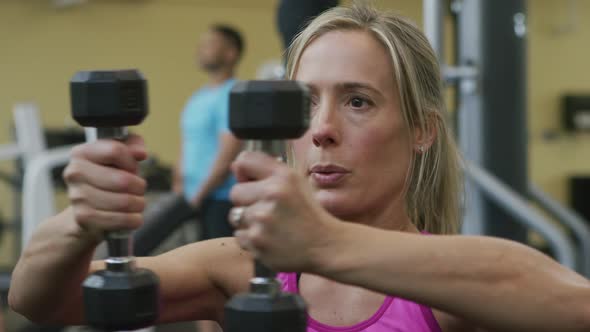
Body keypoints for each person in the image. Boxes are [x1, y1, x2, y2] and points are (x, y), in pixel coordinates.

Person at [8, 3, 590, 332]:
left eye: (357, 101)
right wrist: (80, 224)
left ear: (422, 131)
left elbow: (573, 306)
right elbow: (40, 302)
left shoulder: (443, 293)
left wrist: (325, 245)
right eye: (304, 103)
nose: (321, 128)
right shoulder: (239, 269)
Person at [173, 24, 244, 241]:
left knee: (218, 268)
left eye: (210, 44)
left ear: (231, 53)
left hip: (219, 201)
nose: (201, 49)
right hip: (191, 199)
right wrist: (178, 189)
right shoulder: (197, 97)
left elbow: (228, 153)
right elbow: (186, 145)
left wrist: (198, 196)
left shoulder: (234, 93)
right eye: (201, 45)